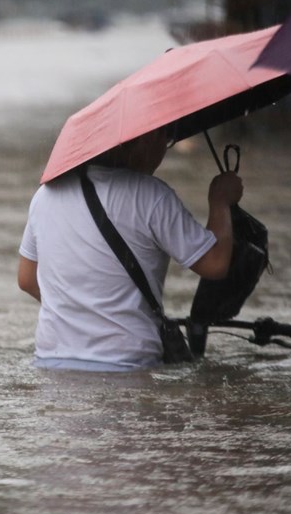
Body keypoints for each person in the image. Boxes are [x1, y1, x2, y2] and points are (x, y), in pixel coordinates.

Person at [17, 128, 243, 371]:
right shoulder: (152, 196)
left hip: (51, 363)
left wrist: (82, 311)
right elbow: (215, 263)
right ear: (142, 141)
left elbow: (27, 279)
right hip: (127, 365)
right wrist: (220, 202)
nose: (162, 152)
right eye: (164, 139)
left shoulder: (46, 195)